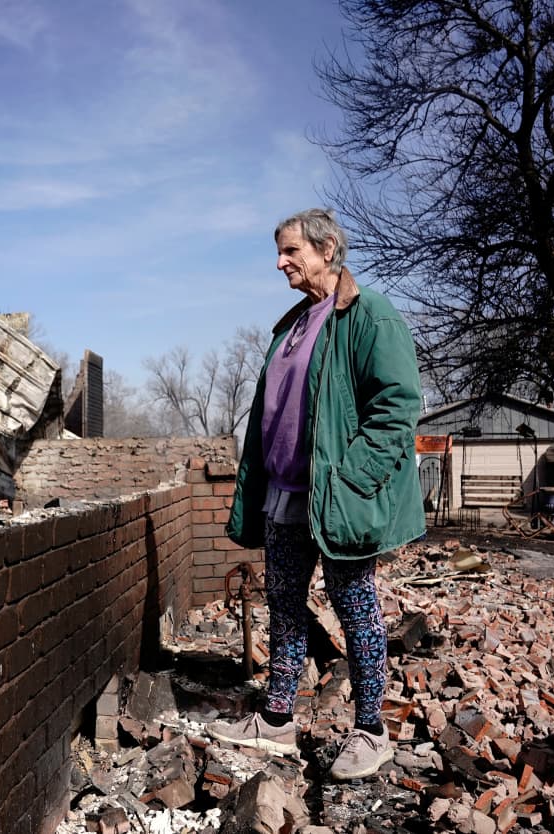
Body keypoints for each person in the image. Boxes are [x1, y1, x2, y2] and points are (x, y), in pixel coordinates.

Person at [207, 208, 425, 780]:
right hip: (284, 494)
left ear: (327, 250)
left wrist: (353, 479)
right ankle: (277, 717)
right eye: (279, 253)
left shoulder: (368, 314)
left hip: (337, 496)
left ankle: (371, 731)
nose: (280, 263)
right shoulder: (294, 324)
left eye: (290, 252)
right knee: (284, 606)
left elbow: (398, 405)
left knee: (356, 609)